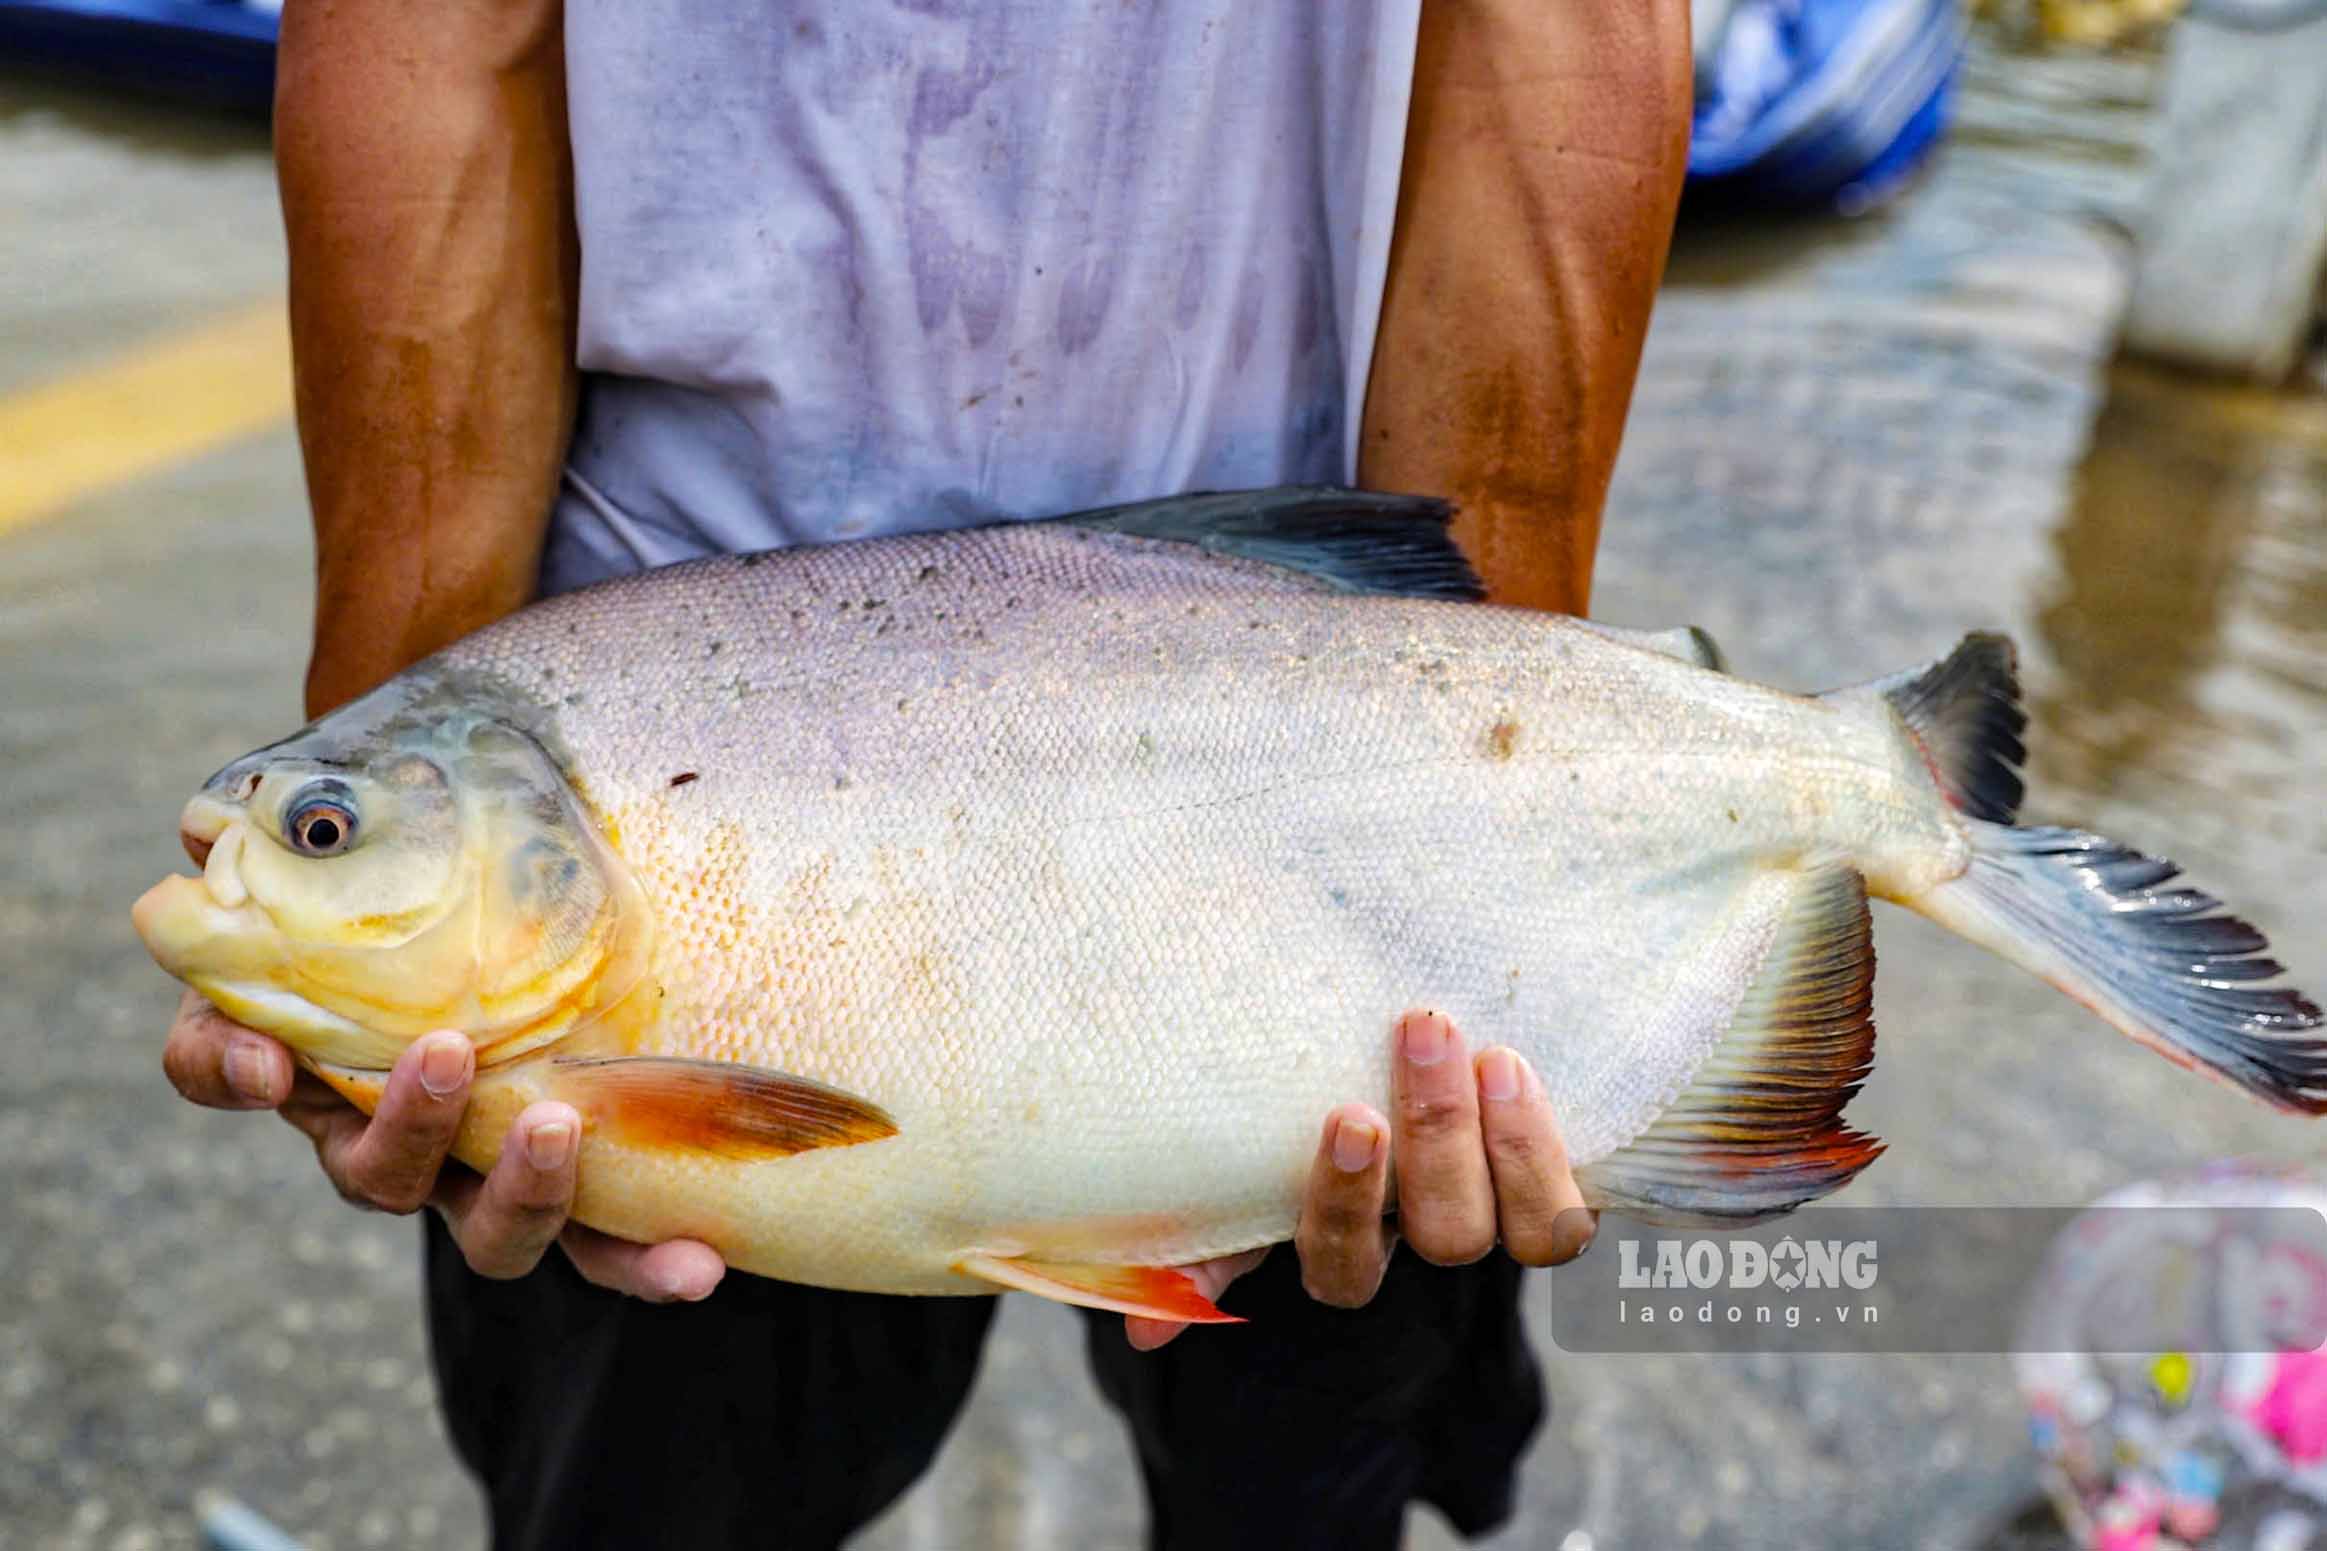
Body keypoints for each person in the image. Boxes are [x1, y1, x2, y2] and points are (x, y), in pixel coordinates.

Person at [161, 2, 1691, 1546]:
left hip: (1301, 672)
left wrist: (1497, 765)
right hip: (662, 718)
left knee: (1302, 1488)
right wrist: (406, 726)